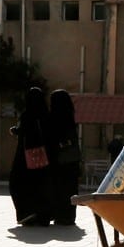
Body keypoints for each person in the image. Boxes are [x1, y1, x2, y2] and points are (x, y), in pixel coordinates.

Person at [8, 87, 53, 226]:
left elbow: (24, 131)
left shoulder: (27, 115)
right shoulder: (47, 116)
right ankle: (43, 216)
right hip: (45, 158)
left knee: (18, 183)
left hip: (25, 159)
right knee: (42, 186)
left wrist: (15, 131)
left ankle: (26, 213)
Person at [46, 89, 81, 226]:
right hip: (71, 161)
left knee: (57, 188)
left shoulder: (52, 118)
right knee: (70, 189)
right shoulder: (70, 117)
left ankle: (58, 214)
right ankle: (68, 216)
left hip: (56, 161)